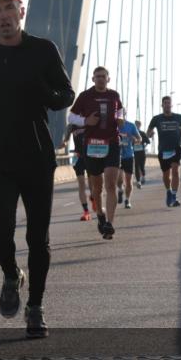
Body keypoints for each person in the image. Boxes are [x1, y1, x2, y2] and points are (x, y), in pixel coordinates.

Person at [0, 0, 74, 338]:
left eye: (8, 8)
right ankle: (11, 275)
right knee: (0, 236)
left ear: (20, 12)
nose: (2, 16)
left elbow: (65, 94)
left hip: (37, 156)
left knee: (38, 239)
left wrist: (42, 91)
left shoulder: (42, 50)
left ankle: (36, 308)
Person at [67, 67, 125, 240]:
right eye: (97, 76)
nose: (100, 79)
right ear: (93, 79)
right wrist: (85, 120)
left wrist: (120, 118)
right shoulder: (85, 96)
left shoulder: (114, 95)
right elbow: (71, 117)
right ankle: (100, 214)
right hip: (91, 145)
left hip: (112, 143)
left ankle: (109, 223)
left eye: (103, 77)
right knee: (96, 187)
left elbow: (120, 110)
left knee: (110, 184)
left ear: (108, 79)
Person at [146, 96, 181, 206]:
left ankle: (174, 196)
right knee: (166, 175)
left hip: (176, 147)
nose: (167, 105)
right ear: (162, 105)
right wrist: (150, 135)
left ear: (171, 105)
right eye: (165, 103)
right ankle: (169, 191)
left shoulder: (178, 117)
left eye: (169, 103)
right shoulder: (156, 119)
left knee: (175, 170)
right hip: (163, 149)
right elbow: (148, 132)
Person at [62, 122, 93, 221]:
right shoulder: (72, 126)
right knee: (81, 184)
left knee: (92, 185)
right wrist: (64, 143)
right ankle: (86, 212)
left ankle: (94, 199)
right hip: (79, 158)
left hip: (91, 157)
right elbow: (66, 139)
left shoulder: (90, 122)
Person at [116, 115, 142, 209]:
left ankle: (127, 200)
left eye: (122, 114)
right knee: (118, 179)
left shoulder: (131, 126)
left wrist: (136, 140)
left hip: (128, 156)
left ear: (125, 114)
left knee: (128, 180)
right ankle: (120, 189)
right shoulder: (113, 125)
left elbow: (140, 138)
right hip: (116, 156)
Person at [132, 119, 150, 187]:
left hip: (142, 152)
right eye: (135, 125)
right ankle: (138, 180)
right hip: (135, 153)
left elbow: (148, 141)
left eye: (137, 125)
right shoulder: (132, 133)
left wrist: (144, 145)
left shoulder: (142, 133)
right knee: (136, 166)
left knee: (142, 166)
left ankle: (143, 177)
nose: (136, 126)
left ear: (140, 125)